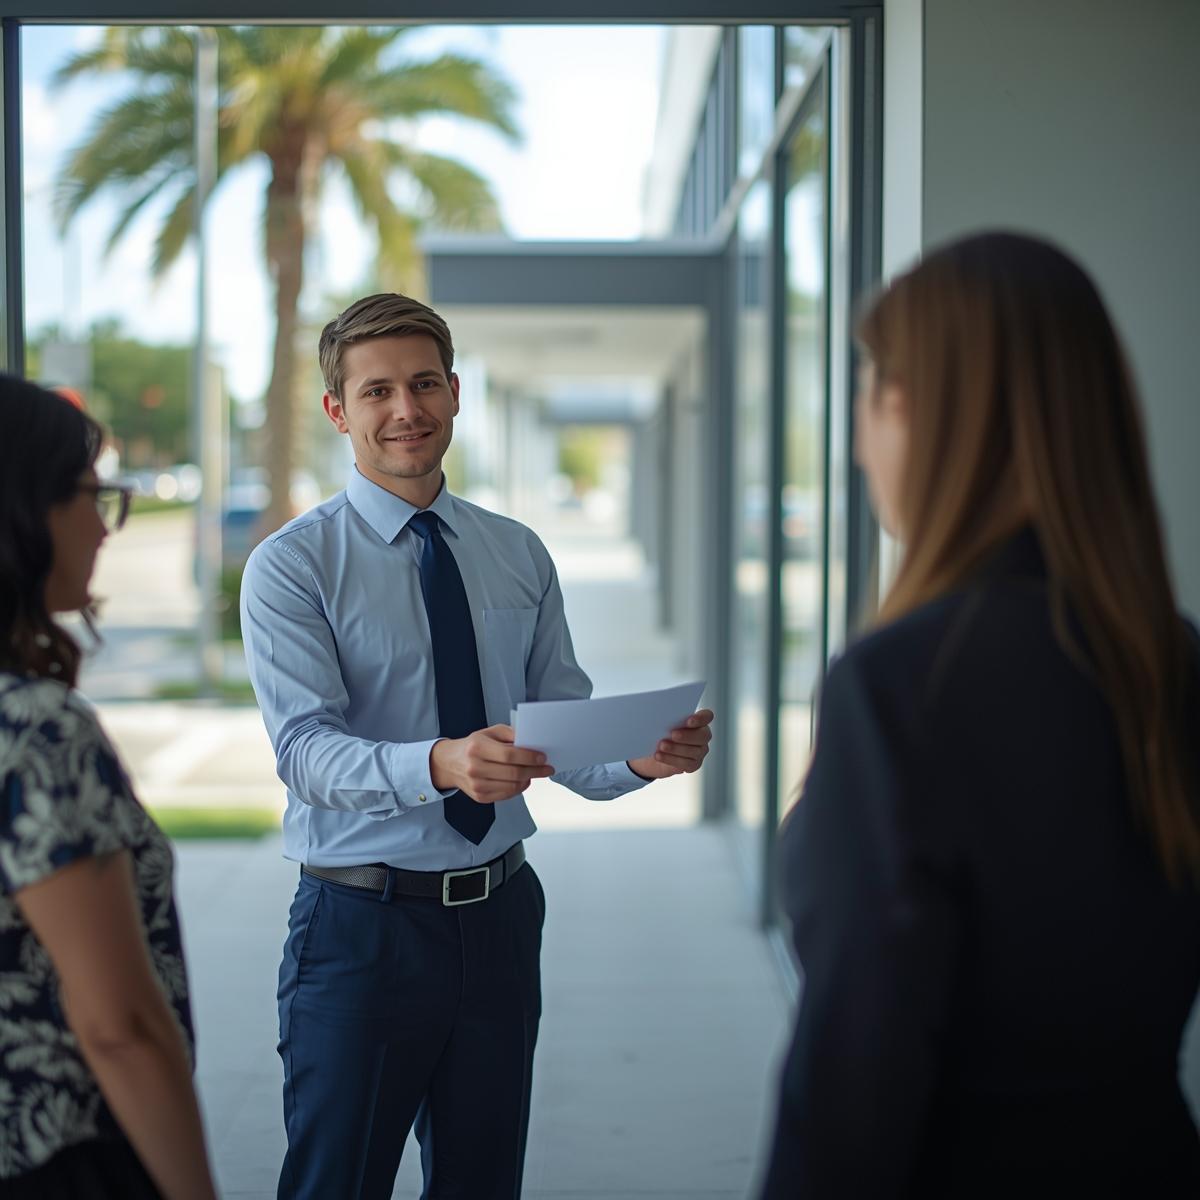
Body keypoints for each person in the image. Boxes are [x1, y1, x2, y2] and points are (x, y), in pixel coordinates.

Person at [239, 293, 715, 1200]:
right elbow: (303, 752)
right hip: (362, 931)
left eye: (424, 383)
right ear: (339, 410)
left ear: (455, 393)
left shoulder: (517, 553)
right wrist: (439, 764)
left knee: (483, 1182)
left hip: (499, 920)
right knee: (337, 1183)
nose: (405, 410)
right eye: (377, 391)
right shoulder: (293, 566)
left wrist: (637, 761)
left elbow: (558, 729)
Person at [759, 232, 1200, 1198]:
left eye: (871, 389)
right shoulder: (1175, 657)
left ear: (916, 411)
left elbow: (848, 1096)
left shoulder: (899, 686)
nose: (861, 437)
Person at [0, 377, 218, 1200]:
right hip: (59, 1159)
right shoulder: (36, 731)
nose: (103, 527)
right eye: (93, 498)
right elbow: (119, 1027)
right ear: (24, 509)